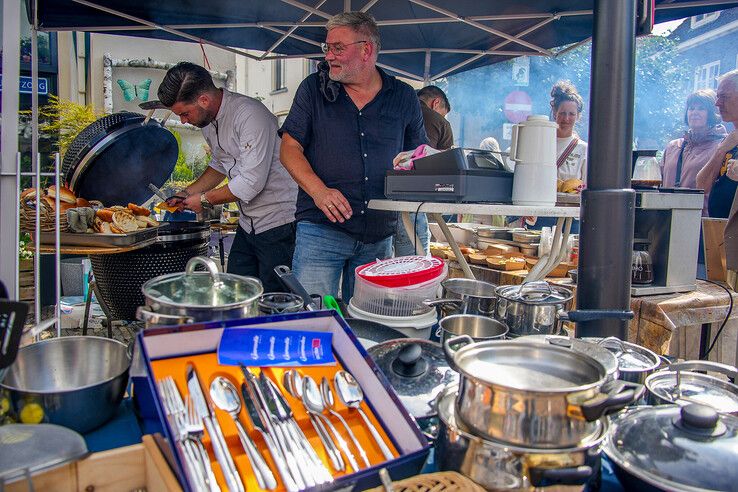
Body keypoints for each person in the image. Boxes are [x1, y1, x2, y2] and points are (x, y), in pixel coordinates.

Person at [279, 11, 427, 299]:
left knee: (369, 326)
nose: (328, 56)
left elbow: (419, 156)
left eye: (337, 48)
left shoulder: (404, 96)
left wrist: (416, 165)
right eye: (327, 48)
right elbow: (289, 148)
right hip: (320, 231)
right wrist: (319, 192)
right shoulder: (312, 90)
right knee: (314, 322)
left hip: (379, 235)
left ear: (366, 49)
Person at [158, 62, 298, 292]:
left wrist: (203, 200)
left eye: (184, 113)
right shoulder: (207, 121)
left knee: (275, 300)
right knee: (237, 290)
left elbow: (251, 183)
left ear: (204, 99)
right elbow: (219, 165)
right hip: (248, 223)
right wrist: (186, 193)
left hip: (279, 223)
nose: (183, 121)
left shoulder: (250, 115)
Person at [393, 85, 454, 257]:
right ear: (436, 103)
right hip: (413, 202)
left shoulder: (393, 109)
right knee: (414, 265)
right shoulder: (440, 122)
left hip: (378, 199)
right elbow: (447, 167)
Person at [521, 81, 587, 232]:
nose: (566, 118)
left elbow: (587, 186)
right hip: (539, 214)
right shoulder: (541, 141)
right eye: (562, 113)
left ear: (578, 117)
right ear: (555, 112)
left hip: (570, 217)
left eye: (572, 114)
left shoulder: (583, 149)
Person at [661, 90, 725, 211]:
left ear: (712, 113)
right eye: (691, 108)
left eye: (701, 108)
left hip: (701, 220)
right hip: (666, 220)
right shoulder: (673, 147)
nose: (695, 112)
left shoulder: (722, 147)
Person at [697, 70, 738, 219]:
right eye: (718, 96)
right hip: (718, 230)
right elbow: (701, 186)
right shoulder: (728, 141)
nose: (717, 103)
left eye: (724, 97)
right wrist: (721, 150)